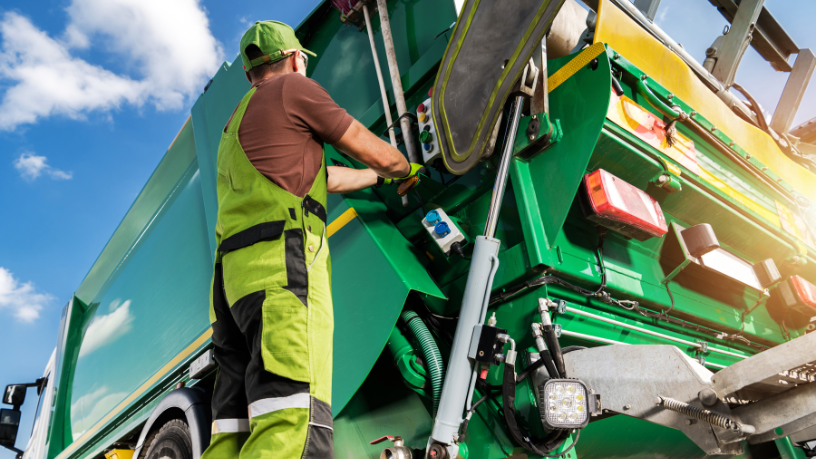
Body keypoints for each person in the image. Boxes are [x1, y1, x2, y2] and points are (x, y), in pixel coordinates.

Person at [202, 20, 422, 459]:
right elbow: (360, 141)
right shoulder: (294, 90)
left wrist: (377, 177)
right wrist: (403, 167)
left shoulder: (234, 126)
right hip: (281, 272)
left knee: (233, 428)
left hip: (232, 287)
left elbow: (328, 176)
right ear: (297, 58)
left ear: (249, 73)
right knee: (293, 418)